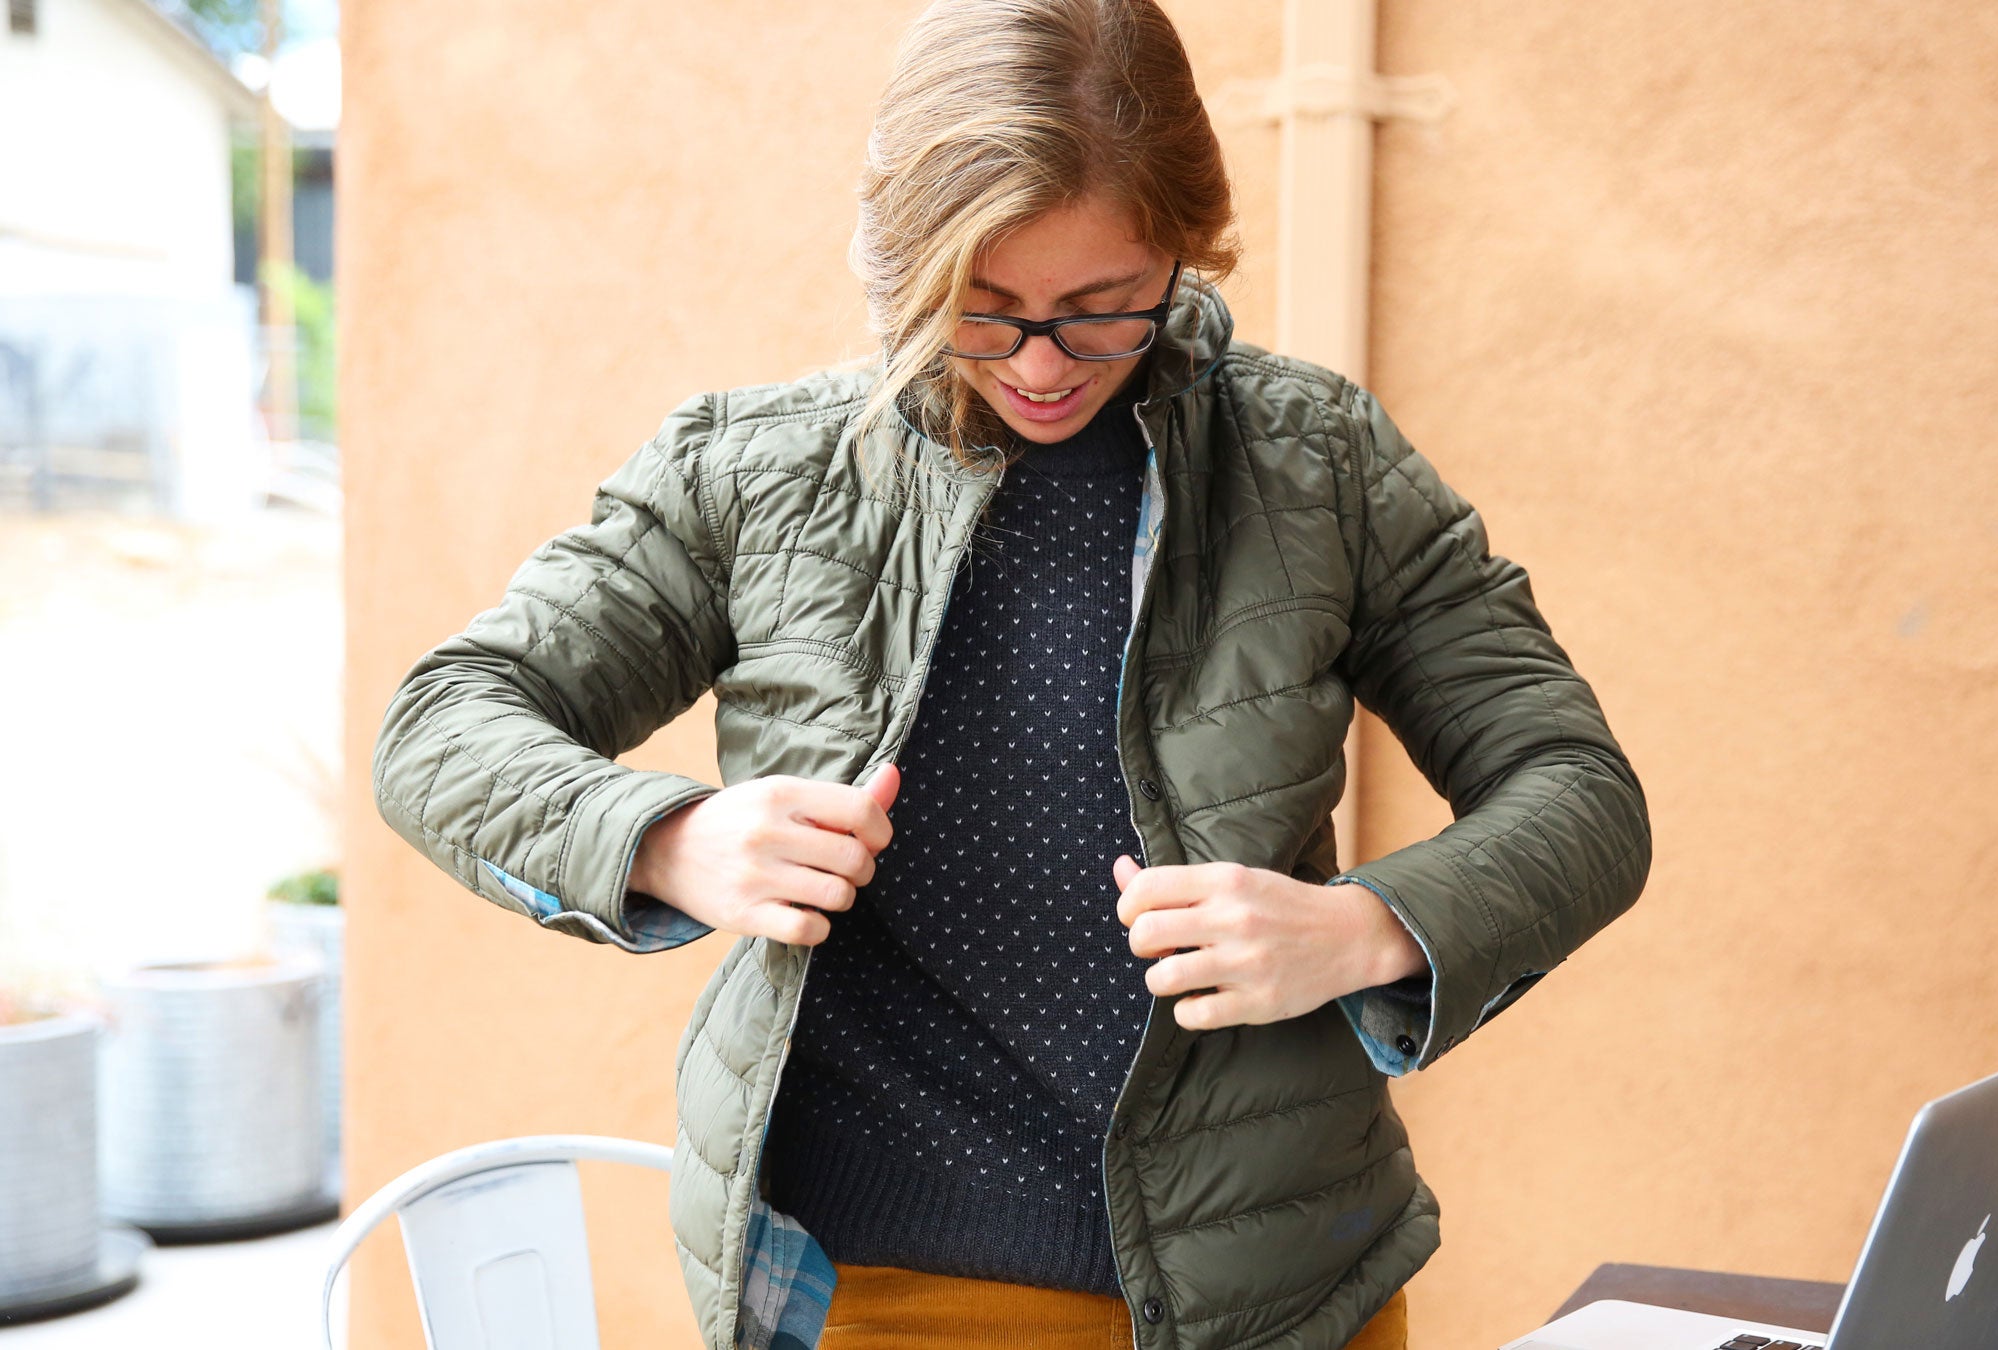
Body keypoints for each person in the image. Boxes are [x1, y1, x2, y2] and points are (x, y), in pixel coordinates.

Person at [369, 0, 1651, 1346]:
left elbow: (1578, 789)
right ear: (903, 262)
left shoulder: (1315, 465)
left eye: (1102, 312)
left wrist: (1364, 928)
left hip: (1285, 1299)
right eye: (983, 312)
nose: (1042, 366)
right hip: (886, 1297)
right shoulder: (752, 474)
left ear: (1182, 250)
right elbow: (441, 725)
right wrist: (671, 837)